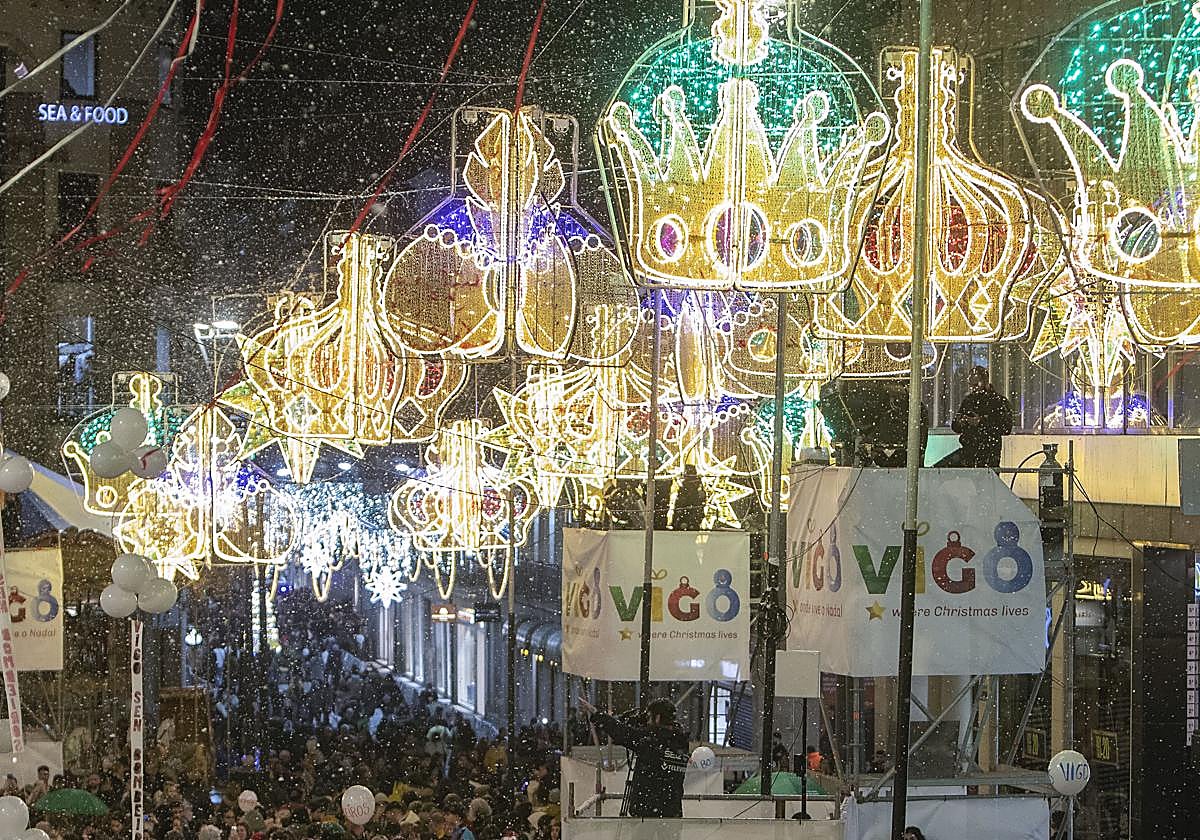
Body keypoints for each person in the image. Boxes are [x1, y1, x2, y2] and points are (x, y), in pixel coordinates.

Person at [577, 696, 688, 818]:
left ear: (657, 718)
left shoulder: (650, 740)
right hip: (673, 813)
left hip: (646, 815)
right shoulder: (682, 741)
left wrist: (597, 714)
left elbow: (621, 732)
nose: (648, 722)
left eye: (649, 717)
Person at [936, 365, 1013, 467]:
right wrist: (960, 422)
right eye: (971, 385)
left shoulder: (998, 402)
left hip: (988, 453)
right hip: (971, 451)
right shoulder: (970, 401)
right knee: (941, 469)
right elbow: (955, 426)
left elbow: (1006, 428)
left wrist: (980, 422)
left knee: (942, 469)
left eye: (975, 384)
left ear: (985, 381)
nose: (973, 388)